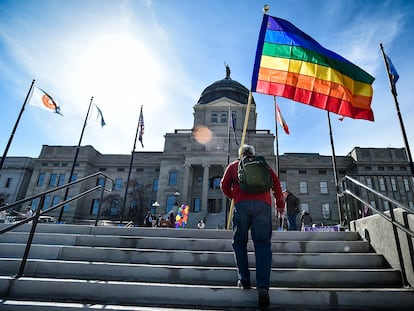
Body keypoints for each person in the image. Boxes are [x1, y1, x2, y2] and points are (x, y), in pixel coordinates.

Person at [220, 144, 284, 308]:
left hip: (241, 206)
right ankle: (263, 287)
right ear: (253, 154)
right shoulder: (264, 165)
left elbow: (223, 185)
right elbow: (276, 184)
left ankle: (244, 279)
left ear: (240, 154)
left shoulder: (234, 165)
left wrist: (234, 196)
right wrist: (280, 205)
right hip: (263, 206)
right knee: (262, 245)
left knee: (239, 243)